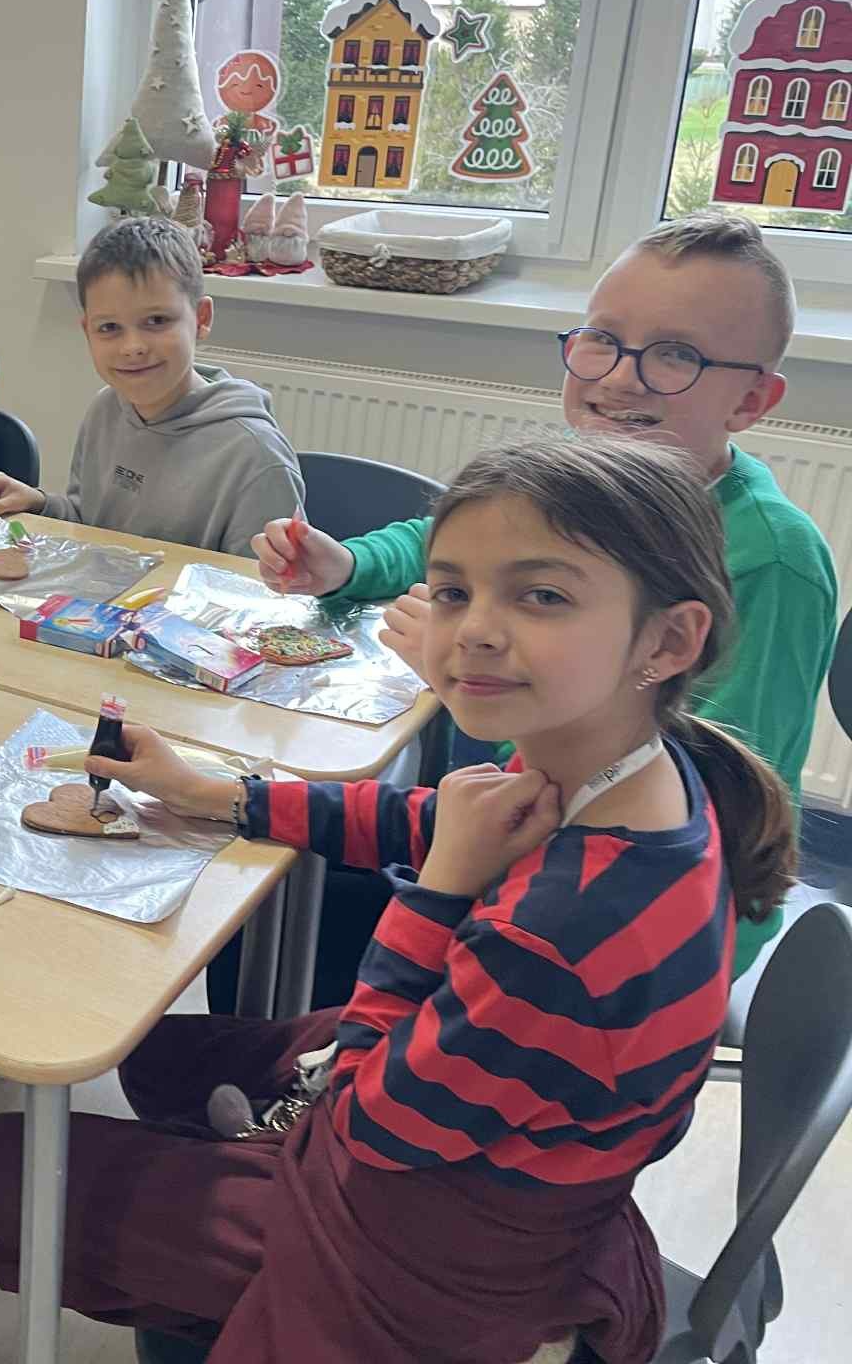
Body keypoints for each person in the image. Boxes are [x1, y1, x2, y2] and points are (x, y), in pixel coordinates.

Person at [0, 434, 794, 1362]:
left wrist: (439, 893)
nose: (474, 630)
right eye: (453, 591)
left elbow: (368, 1124)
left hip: (435, 1251)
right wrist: (220, 795)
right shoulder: (629, 767)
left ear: (667, 640)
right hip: (498, 1153)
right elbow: (434, 818)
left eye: (542, 596)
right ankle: (225, 1181)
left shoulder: (563, 932)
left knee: (7, 1165)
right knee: (167, 1057)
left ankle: (225, 1263)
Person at [250, 212, 835, 988]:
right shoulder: (581, 474)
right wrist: (350, 562)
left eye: (676, 354)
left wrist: (467, 673)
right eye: (603, 339)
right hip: (517, 829)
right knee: (294, 884)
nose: (620, 377)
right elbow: (440, 537)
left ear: (752, 400)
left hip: (633, 929)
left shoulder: (773, 559)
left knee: (331, 920)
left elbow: (711, 800)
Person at [0, 216, 300, 552]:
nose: (132, 347)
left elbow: (261, 585)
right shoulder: (105, 409)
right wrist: (40, 504)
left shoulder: (255, 456)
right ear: (87, 331)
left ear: (201, 318)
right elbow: (89, 525)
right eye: (109, 327)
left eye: (157, 320)